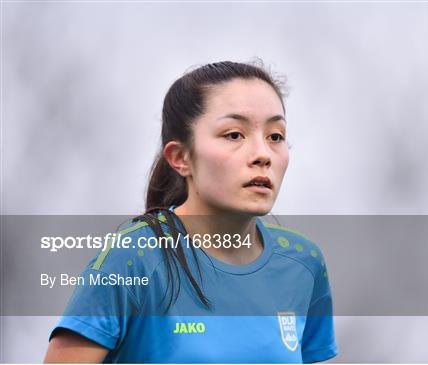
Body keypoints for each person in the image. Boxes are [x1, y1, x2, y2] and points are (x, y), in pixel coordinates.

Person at [44, 60, 338, 363]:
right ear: (180, 157)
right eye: (234, 134)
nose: (262, 154)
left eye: (275, 136)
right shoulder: (133, 258)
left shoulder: (303, 264)